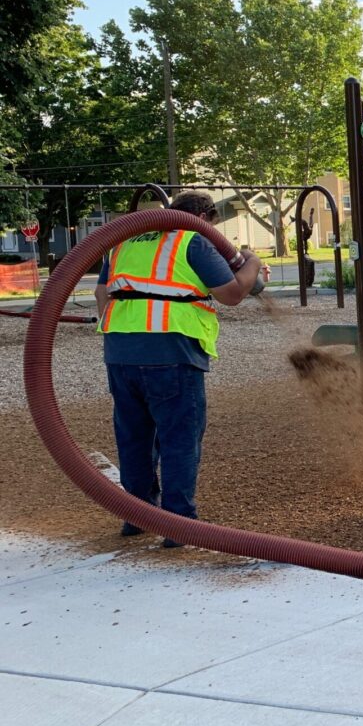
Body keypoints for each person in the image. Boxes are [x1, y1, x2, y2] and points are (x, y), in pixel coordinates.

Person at [94, 191, 266, 547]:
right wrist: (250, 260)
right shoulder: (194, 241)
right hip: (172, 352)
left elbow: (101, 297)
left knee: (134, 437)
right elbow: (232, 294)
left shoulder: (124, 242)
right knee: (179, 438)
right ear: (205, 217)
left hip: (120, 353)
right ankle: (179, 523)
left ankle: (136, 515)